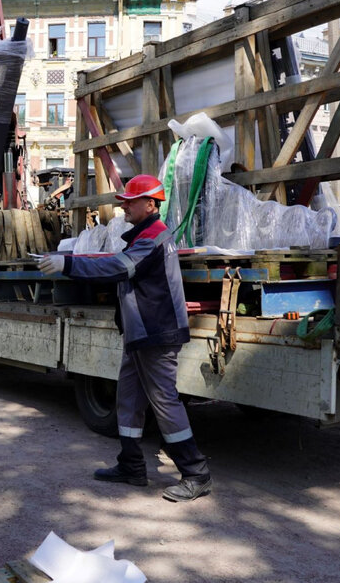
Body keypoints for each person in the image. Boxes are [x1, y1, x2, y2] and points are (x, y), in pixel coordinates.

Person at [39, 174, 212, 502]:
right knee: (129, 399)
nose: (124, 207)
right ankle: (131, 466)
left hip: (156, 333)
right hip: (143, 332)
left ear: (150, 204)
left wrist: (67, 264)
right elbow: (115, 264)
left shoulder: (153, 237)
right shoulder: (144, 236)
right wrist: (71, 261)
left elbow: (117, 268)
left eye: (130, 201)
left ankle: (196, 473)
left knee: (163, 402)